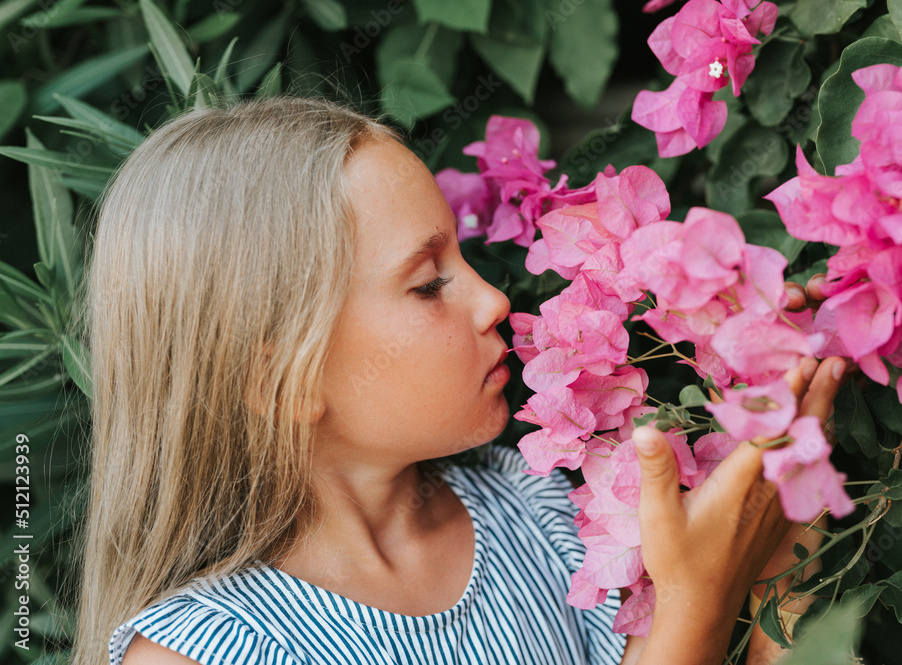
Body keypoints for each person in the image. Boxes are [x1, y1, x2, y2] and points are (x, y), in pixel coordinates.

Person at [73, 96, 846, 665]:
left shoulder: (537, 513)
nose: (495, 298)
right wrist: (693, 600)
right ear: (282, 379)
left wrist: (780, 550)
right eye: (427, 283)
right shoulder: (209, 653)